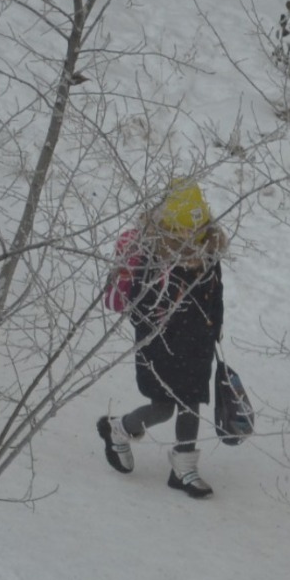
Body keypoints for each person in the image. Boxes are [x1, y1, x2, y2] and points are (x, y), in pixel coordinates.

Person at [97, 179, 226, 498]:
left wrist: (215, 330)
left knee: (191, 403)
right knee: (164, 407)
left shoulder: (208, 253)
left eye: (195, 230)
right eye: (182, 231)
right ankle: (119, 429)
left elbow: (215, 296)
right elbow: (142, 307)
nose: (189, 238)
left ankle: (184, 467)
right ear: (167, 227)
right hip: (161, 347)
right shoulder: (155, 257)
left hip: (198, 346)